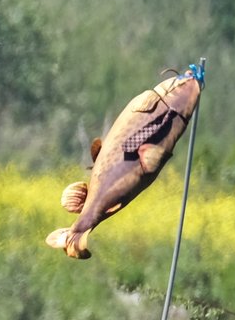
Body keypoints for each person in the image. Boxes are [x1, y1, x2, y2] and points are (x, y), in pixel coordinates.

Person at [48, 69, 202, 258]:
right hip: (146, 138)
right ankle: (77, 234)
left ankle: (77, 233)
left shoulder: (170, 112)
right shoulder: (167, 108)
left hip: (150, 138)